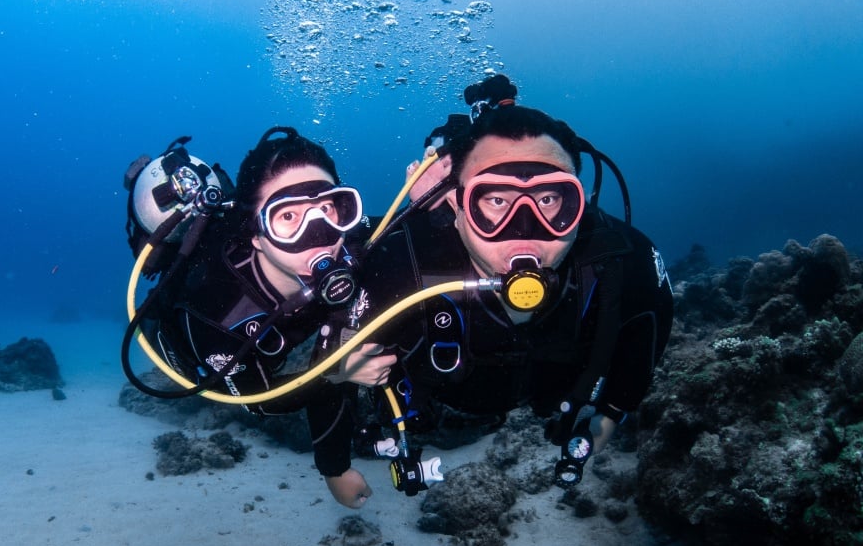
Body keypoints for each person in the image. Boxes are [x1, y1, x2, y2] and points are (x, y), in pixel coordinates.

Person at [316, 74, 674, 499]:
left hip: (549, 400)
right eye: (496, 200)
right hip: (440, 418)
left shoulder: (623, 259)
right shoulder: (393, 262)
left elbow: (646, 332)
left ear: (577, 201)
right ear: (455, 203)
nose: (523, 233)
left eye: (548, 199)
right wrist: (334, 464)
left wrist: (609, 417)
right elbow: (327, 365)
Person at [121, 128, 386, 507]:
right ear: (257, 235)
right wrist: (337, 381)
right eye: (288, 216)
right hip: (188, 345)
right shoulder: (218, 313)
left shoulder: (349, 240)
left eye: (328, 207)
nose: (319, 232)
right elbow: (258, 400)